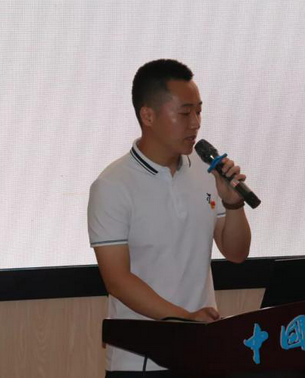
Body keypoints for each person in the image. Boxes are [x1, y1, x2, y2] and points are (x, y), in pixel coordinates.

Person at [87, 59, 252, 377]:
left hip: (202, 351)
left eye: (199, 112)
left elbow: (236, 253)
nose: (196, 123)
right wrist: (185, 319)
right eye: (185, 113)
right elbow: (117, 280)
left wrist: (234, 205)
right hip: (140, 360)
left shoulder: (207, 173)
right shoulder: (112, 185)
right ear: (148, 116)